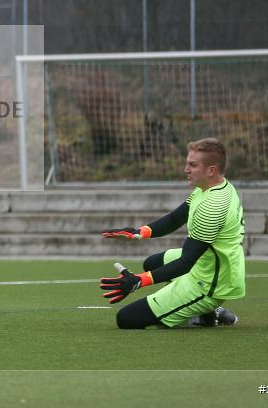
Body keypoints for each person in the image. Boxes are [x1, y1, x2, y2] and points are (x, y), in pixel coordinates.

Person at [99, 137, 244, 329]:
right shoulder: (210, 186)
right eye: (187, 163)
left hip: (211, 283)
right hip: (211, 262)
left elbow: (186, 263)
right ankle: (203, 314)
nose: (186, 169)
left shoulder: (213, 206)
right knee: (153, 262)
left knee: (127, 319)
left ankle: (208, 308)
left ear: (211, 170)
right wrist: (139, 232)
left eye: (192, 165)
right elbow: (175, 219)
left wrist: (139, 281)